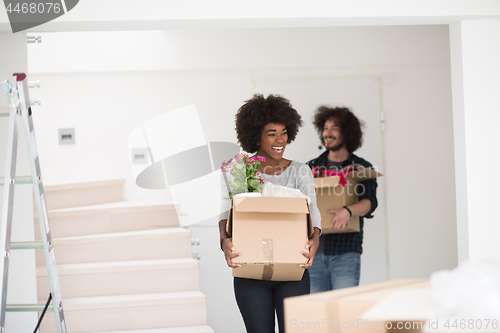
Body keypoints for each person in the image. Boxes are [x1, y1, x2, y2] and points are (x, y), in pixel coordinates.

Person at [218, 94, 321, 333]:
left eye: (284, 132)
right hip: (250, 272)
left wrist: (314, 241)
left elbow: (312, 213)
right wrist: (225, 242)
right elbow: (226, 212)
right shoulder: (239, 169)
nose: (280, 140)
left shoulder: (300, 171)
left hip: (293, 269)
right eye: (271, 133)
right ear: (255, 136)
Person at [306, 106, 378, 293]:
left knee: (345, 315)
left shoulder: (361, 167)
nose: (327, 133)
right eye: (325, 128)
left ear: (347, 132)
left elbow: (370, 203)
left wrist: (348, 211)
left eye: (334, 128)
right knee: (317, 316)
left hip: (346, 253)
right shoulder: (310, 168)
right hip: (314, 253)